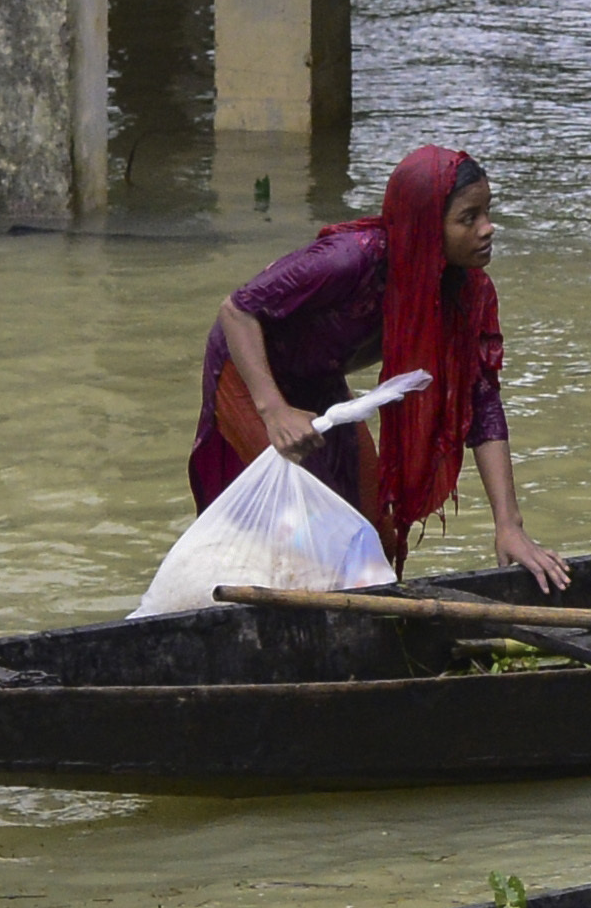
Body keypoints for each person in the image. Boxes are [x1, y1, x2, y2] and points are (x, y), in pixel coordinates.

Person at [187, 143, 562, 590]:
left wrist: (509, 525)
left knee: (371, 529)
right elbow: (237, 310)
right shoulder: (349, 259)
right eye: (468, 218)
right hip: (251, 376)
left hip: (320, 377)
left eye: (487, 212)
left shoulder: (468, 294)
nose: (487, 228)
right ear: (425, 226)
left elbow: (482, 404)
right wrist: (274, 410)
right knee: (308, 533)